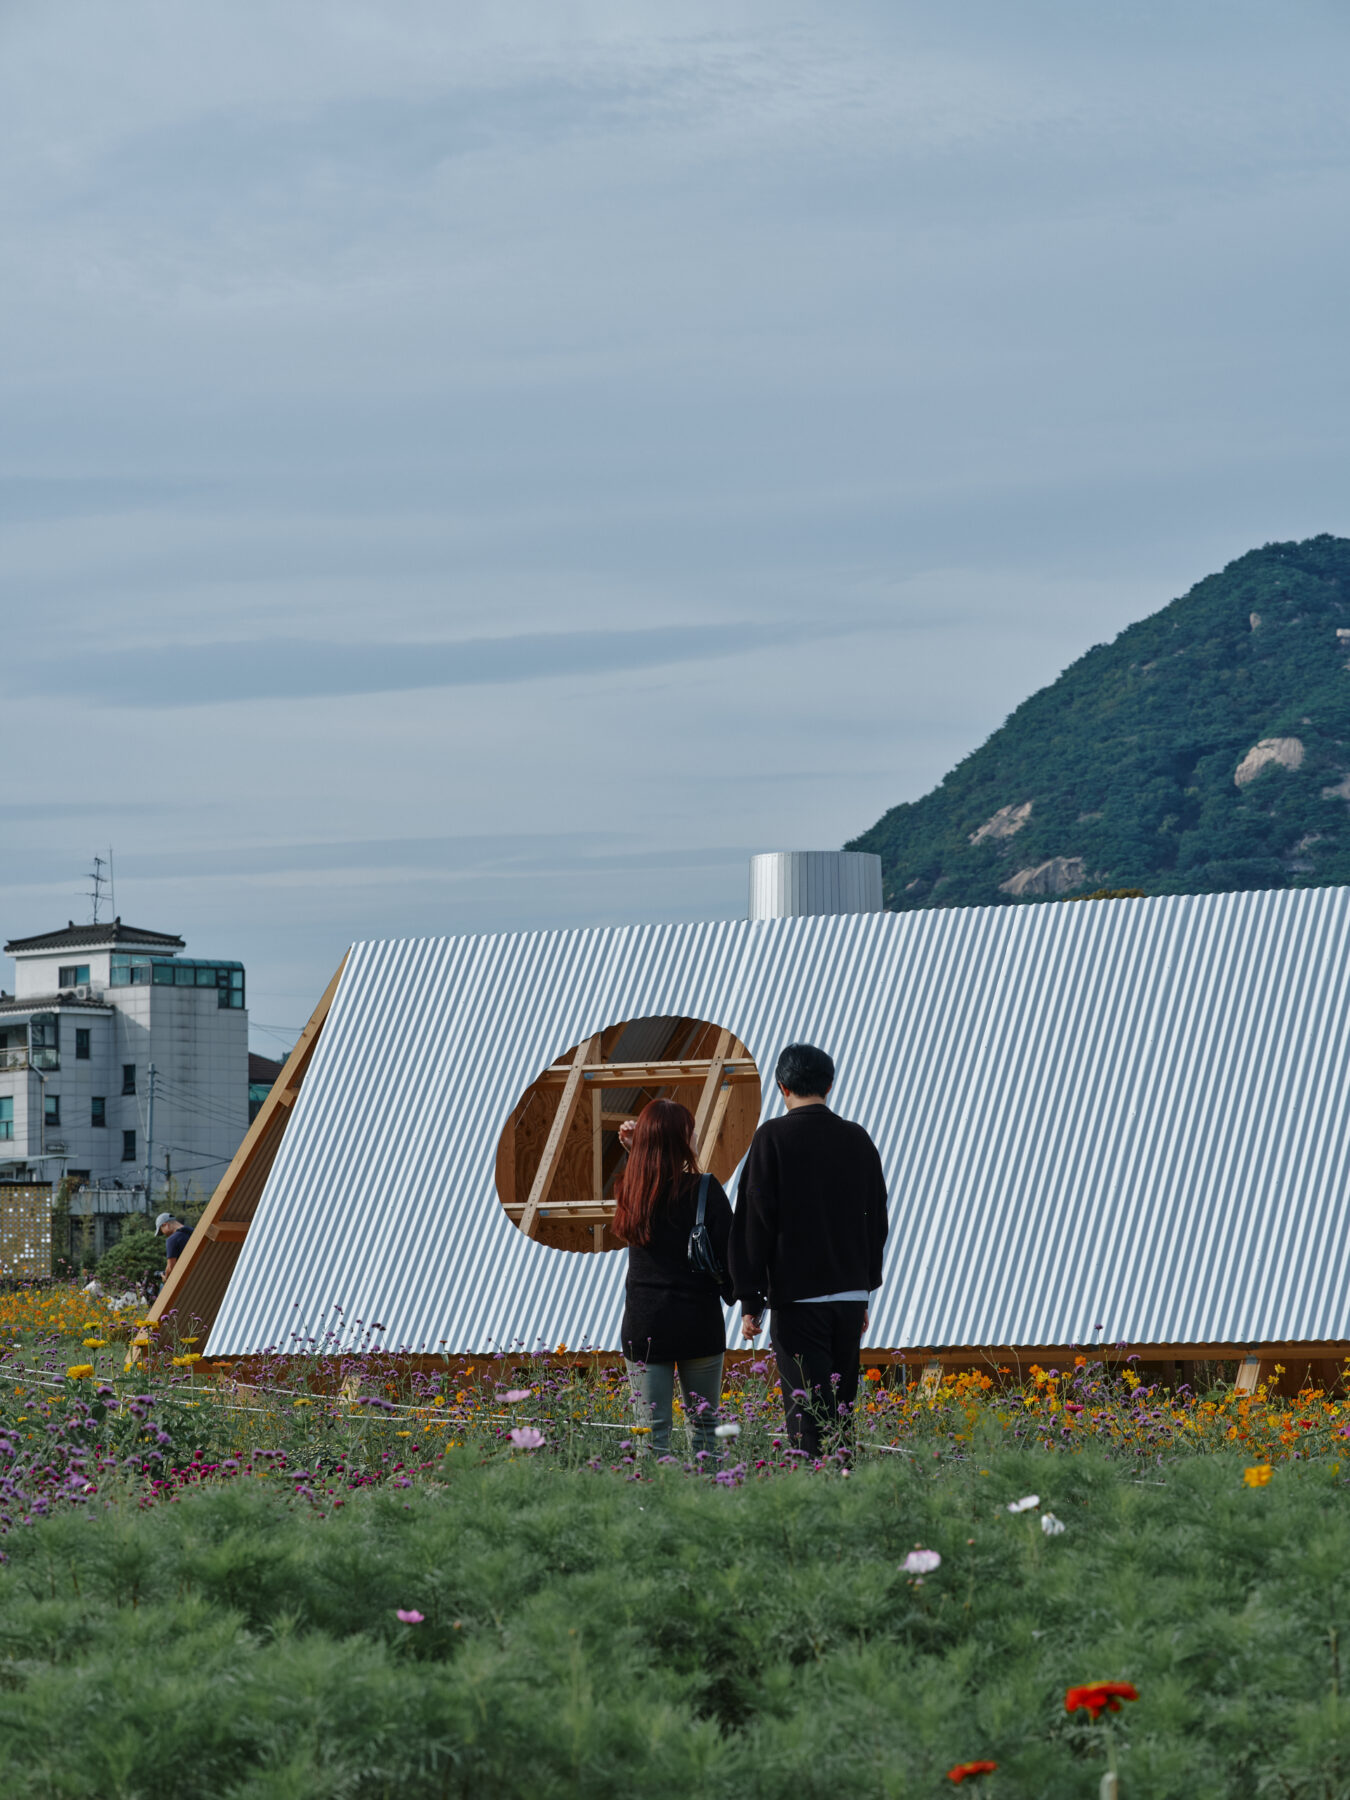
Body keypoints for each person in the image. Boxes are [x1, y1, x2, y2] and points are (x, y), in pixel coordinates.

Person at [729, 1042, 888, 1458]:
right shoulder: (857, 1139)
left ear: (782, 1087)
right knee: (841, 1407)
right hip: (851, 1297)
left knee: (807, 1411)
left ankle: (819, 1493)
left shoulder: (772, 1138)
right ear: (830, 1084)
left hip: (798, 1298)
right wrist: (866, 1285)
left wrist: (751, 1298)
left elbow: (755, 1221)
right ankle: (845, 1484)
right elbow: (877, 1219)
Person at [612, 1099, 737, 1457]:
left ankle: (651, 1508)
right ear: (681, 1140)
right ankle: (707, 1505)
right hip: (698, 1324)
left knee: (651, 1437)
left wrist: (636, 1149)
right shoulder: (705, 1190)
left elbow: (648, 1177)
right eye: (690, 1130)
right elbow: (730, 1255)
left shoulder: (628, 1191)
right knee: (705, 1432)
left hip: (645, 1326)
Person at [155, 1211, 192, 1278]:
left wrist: (165, 1276)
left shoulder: (172, 1240)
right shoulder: (194, 1232)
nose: (164, 1234)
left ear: (165, 1225)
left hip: (188, 1280)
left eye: (161, 1230)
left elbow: (171, 1267)